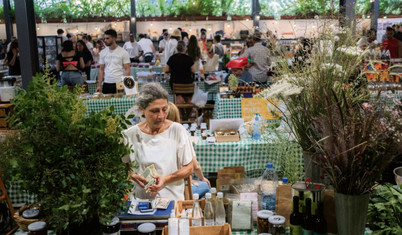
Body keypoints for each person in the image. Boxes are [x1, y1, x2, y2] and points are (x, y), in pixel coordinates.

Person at [122, 83, 193, 201]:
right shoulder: (130, 134)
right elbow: (123, 166)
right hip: (141, 201)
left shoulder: (177, 131)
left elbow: (189, 168)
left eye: (164, 109)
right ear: (142, 110)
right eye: (154, 111)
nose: (161, 116)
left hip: (171, 200)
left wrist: (165, 179)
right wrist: (132, 175)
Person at [166, 102, 211, 197]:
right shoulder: (181, 133)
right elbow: (196, 165)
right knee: (207, 187)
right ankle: (195, 210)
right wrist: (202, 178)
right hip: (179, 188)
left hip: (164, 186)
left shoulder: (157, 136)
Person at [96, 29, 130, 94]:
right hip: (106, 83)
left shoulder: (123, 52)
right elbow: (101, 69)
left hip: (119, 82)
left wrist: (127, 86)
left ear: (114, 39)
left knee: (120, 103)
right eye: (105, 38)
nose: (105, 40)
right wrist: (99, 85)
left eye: (107, 38)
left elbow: (127, 69)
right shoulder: (103, 52)